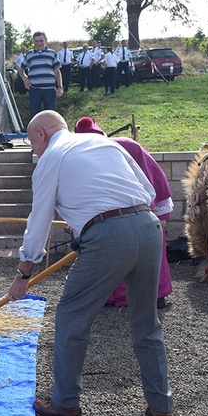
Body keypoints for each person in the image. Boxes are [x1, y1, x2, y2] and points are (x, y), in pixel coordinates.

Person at [8, 110, 173, 416]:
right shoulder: (107, 145)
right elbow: (148, 192)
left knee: (71, 316)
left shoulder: (51, 157)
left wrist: (23, 274)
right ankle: (161, 407)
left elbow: (38, 222)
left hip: (107, 235)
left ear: (41, 134)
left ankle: (66, 403)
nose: (33, 151)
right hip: (148, 227)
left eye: (32, 143)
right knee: (146, 322)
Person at [74, 116, 173, 308]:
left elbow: (154, 177)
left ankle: (154, 296)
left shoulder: (127, 147)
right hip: (105, 220)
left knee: (147, 259)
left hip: (141, 214)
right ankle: (111, 297)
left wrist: (162, 215)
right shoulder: (78, 158)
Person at [18, 31, 62, 116]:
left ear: (45, 40)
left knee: (51, 115)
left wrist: (60, 87)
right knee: (35, 115)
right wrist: (25, 79)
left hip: (49, 89)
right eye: (36, 41)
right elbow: (21, 70)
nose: (39, 43)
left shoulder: (52, 54)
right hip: (35, 90)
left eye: (41, 40)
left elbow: (57, 71)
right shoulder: (29, 54)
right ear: (33, 42)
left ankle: (51, 129)